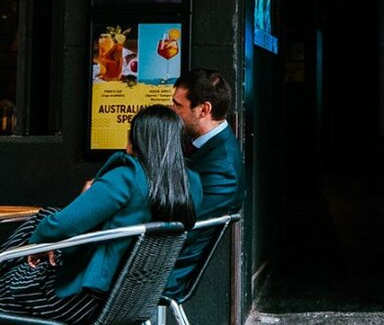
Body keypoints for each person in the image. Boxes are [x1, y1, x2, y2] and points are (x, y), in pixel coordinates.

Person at [0, 105, 202, 324]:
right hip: (130, 298)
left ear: (139, 138)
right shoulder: (190, 184)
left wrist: (40, 243)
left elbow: (61, 225)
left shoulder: (126, 178)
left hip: (79, 299)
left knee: (13, 274)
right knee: (44, 217)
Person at [165, 67, 243, 297]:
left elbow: (181, 228)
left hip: (163, 271)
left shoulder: (222, 169)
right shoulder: (198, 144)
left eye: (178, 105)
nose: (172, 110)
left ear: (204, 110)